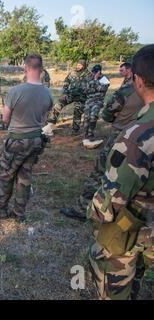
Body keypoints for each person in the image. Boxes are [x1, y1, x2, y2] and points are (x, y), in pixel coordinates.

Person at [87, 44, 154, 300]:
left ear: (138, 80)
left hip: (135, 229)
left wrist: (91, 211)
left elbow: (109, 203)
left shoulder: (137, 136)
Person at [61, 63, 144, 221]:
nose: (120, 71)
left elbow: (107, 113)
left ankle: (83, 208)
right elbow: (87, 90)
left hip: (122, 135)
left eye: (122, 69)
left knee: (100, 170)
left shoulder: (126, 89)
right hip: (142, 138)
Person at [0, 53, 53, 222]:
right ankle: (19, 214)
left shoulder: (16, 91)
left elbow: (5, 119)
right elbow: (45, 119)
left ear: (25, 68)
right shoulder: (48, 94)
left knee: (7, 174)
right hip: (36, 140)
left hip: (17, 140)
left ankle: (1, 208)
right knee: (25, 176)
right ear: (41, 69)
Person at [43, 59, 92, 135]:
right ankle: (50, 125)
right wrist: (65, 92)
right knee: (58, 104)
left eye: (80, 65)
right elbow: (66, 81)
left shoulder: (89, 75)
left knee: (77, 112)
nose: (78, 66)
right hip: (70, 94)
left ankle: (75, 130)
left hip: (82, 97)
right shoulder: (73, 72)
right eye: (77, 64)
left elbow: (92, 86)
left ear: (84, 65)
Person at [83, 64, 110, 139]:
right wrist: (95, 84)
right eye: (93, 72)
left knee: (93, 116)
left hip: (98, 101)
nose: (93, 73)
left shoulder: (105, 79)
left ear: (99, 72)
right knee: (86, 117)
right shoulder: (89, 78)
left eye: (95, 72)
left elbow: (102, 89)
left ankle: (90, 133)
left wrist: (94, 80)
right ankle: (86, 133)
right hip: (88, 101)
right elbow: (85, 90)